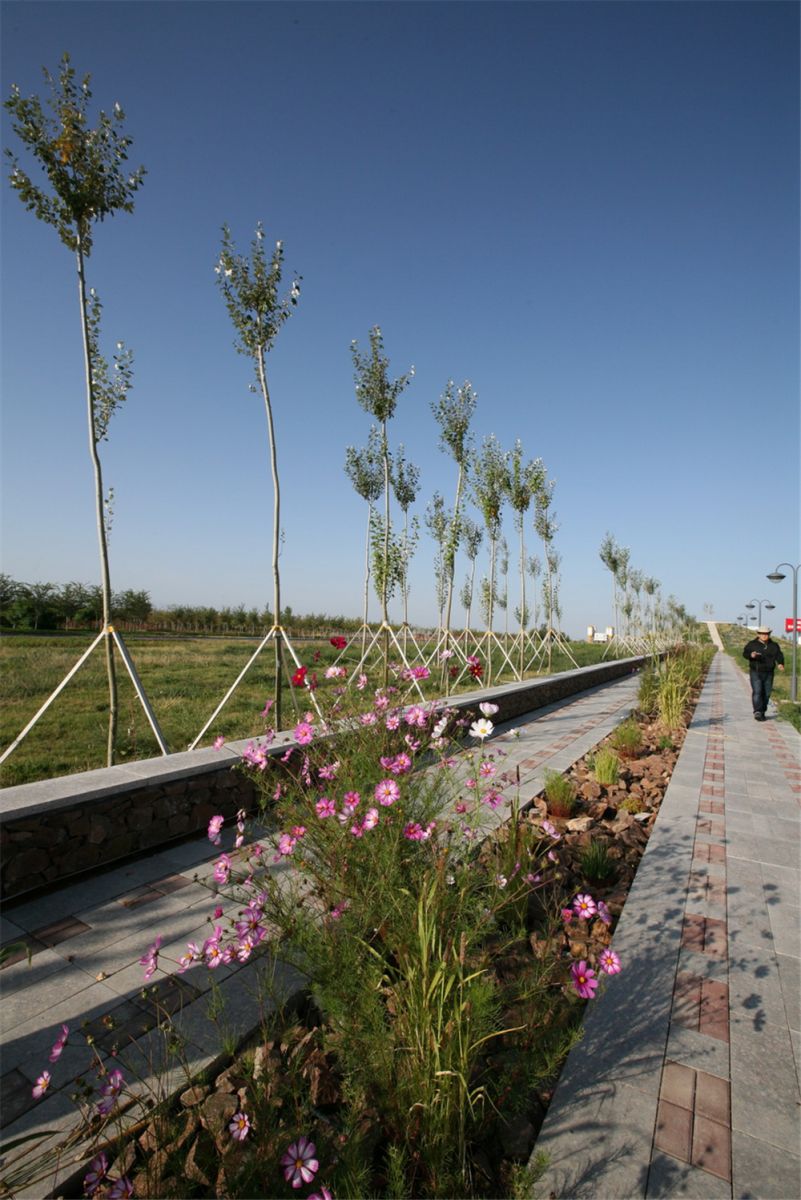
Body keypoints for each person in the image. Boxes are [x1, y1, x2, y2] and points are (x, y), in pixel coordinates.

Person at [742, 626, 785, 720]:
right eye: (762, 634)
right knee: (757, 691)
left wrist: (780, 663)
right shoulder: (752, 644)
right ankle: (757, 711)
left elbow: (779, 655)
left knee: (766, 693)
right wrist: (751, 655)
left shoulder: (774, 645)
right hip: (756, 672)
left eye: (766, 634)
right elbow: (745, 653)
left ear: (769, 634)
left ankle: (762, 711)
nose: (764, 635)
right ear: (758, 634)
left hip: (769, 672)